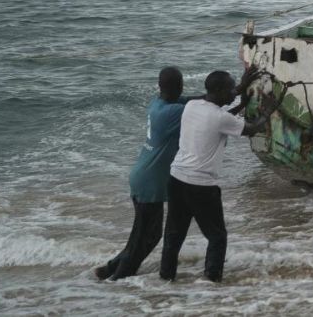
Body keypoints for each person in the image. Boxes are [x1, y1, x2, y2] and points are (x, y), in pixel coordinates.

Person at [159, 68, 280, 283]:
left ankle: (165, 279)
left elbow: (220, 119)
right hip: (201, 185)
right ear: (219, 91)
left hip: (176, 178)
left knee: (174, 235)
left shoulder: (191, 106)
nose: (233, 91)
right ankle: (210, 281)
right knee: (217, 237)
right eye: (230, 88)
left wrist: (241, 99)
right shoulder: (219, 117)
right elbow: (251, 129)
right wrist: (268, 111)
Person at [94, 67, 197, 281]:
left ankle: (110, 269)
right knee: (145, 238)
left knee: (142, 236)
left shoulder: (159, 104)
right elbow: (204, 108)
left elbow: (194, 100)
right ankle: (119, 279)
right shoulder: (172, 113)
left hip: (143, 177)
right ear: (179, 86)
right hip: (150, 183)